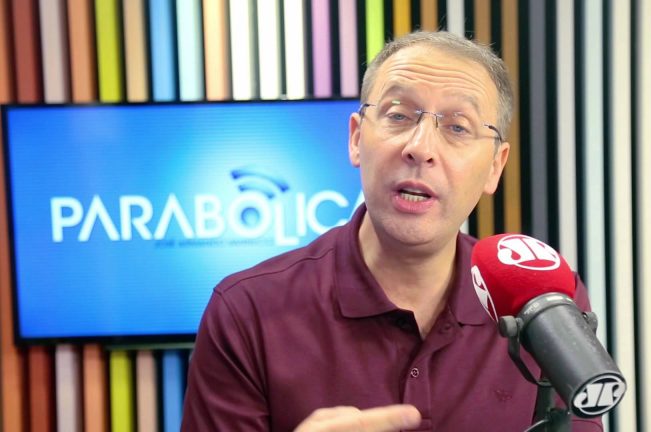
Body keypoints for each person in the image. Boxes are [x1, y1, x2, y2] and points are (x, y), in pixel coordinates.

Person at [181, 31, 602, 431]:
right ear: (356, 138)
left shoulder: (542, 302)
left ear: (495, 165)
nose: (420, 148)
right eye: (398, 115)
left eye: (458, 126)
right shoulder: (246, 312)